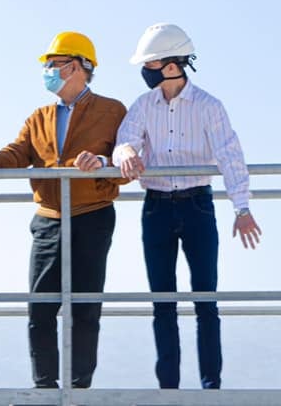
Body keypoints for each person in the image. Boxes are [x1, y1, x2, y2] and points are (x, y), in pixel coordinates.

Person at [0, 32, 126, 389]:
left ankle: (79, 387)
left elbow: (126, 157)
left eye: (52, 64)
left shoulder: (112, 110)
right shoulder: (39, 116)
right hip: (48, 220)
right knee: (40, 308)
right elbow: (19, 150)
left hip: (92, 215)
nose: (47, 71)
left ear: (75, 66)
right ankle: (44, 386)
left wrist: (101, 161)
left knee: (84, 307)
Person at [113, 23, 262, 389]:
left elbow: (230, 156)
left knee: (205, 301)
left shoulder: (209, 107)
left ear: (171, 65)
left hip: (198, 206)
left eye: (150, 63)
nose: (144, 71)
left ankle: (211, 388)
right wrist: (127, 151)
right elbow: (124, 142)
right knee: (163, 303)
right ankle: (169, 391)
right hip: (156, 209)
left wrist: (241, 209)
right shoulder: (142, 107)